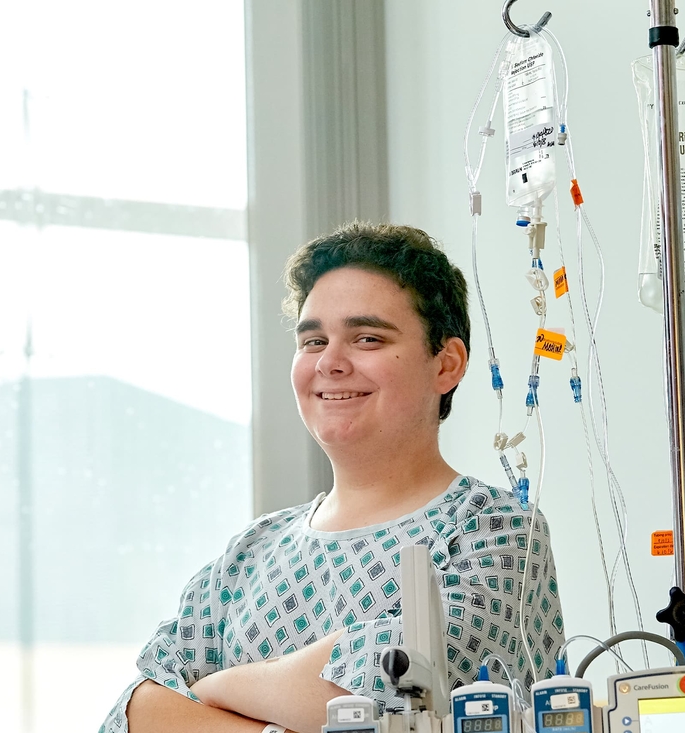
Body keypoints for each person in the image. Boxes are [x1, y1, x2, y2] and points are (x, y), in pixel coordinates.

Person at [102, 222, 564, 733]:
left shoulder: (495, 530)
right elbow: (138, 711)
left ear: (446, 364)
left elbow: (393, 688)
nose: (330, 362)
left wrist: (218, 689)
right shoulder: (250, 554)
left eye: (367, 337)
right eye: (313, 339)